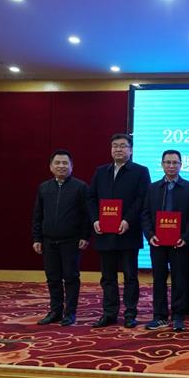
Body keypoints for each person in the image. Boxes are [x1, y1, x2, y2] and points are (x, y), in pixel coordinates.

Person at [88, 134, 151, 328]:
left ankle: (130, 314)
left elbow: (142, 199)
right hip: (104, 232)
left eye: (123, 146)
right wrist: (95, 220)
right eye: (115, 146)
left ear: (130, 150)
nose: (118, 149)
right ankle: (109, 313)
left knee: (130, 276)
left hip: (127, 232)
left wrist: (127, 220)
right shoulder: (101, 171)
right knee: (108, 277)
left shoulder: (140, 171)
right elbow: (91, 198)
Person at [31, 149, 90, 326]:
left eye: (65, 163)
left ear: (72, 166)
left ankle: (70, 313)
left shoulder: (81, 187)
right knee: (53, 277)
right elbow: (37, 215)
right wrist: (37, 238)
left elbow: (87, 215)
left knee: (71, 277)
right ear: (51, 166)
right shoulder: (44, 187)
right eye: (57, 163)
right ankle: (55, 311)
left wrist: (85, 236)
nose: (61, 166)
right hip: (48, 241)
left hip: (71, 241)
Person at [141, 150, 189, 332]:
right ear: (162, 164)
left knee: (180, 279)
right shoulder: (153, 188)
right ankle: (159, 316)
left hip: (180, 242)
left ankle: (178, 316)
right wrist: (150, 235)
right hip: (157, 242)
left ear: (181, 165)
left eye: (175, 163)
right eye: (168, 162)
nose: (171, 166)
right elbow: (145, 214)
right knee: (159, 279)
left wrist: (185, 237)